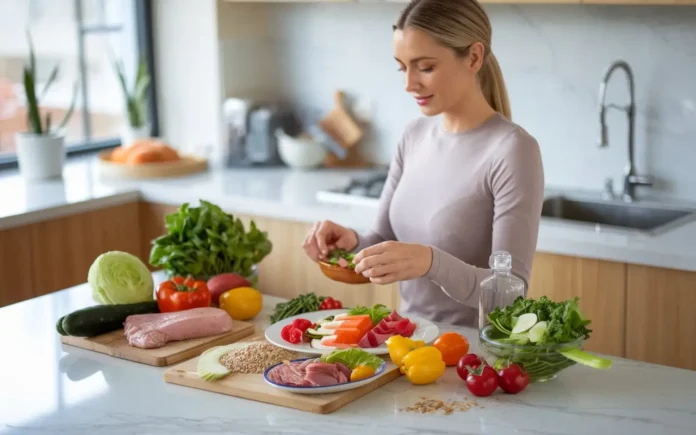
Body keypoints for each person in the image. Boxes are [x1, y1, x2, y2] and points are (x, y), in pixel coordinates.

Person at [302, 0, 545, 327]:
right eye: (402, 67)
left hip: (474, 358)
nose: (409, 84)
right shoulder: (414, 135)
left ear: (473, 57)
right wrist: (353, 242)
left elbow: (510, 293)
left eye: (426, 67)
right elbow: (384, 237)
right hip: (408, 345)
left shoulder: (512, 150)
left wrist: (432, 262)